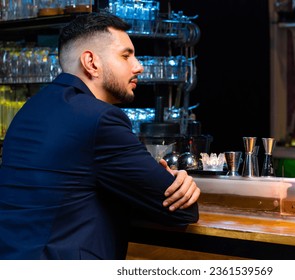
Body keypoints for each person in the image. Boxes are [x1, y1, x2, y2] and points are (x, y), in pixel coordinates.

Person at [0, 12, 200, 260]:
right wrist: (173, 181)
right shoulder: (100, 118)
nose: (139, 66)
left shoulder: (29, 110)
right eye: (126, 55)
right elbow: (182, 213)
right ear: (91, 62)